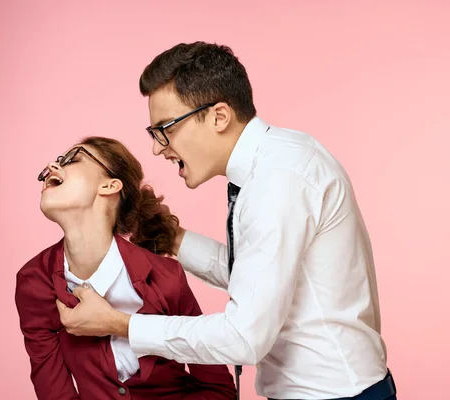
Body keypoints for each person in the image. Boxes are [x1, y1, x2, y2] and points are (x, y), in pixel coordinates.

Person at [56, 42, 397, 400]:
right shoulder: (276, 159)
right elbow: (260, 275)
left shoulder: (276, 181)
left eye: (165, 128)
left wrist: (122, 325)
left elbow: (243, 337)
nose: (158, 147)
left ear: (219, 116)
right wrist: (172, 238)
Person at [14, 136, 237, 400]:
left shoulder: (166, 277)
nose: (51, 166)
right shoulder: (34, 282)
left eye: (72, 159)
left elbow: (219, 389)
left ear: (110, 185)